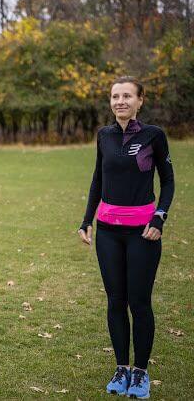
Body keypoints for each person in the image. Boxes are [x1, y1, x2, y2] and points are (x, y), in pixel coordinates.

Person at [78, 76, 174, 398]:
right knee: (115, 301)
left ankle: (141, 372)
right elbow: (98, 178)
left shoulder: (153, 136)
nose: (120, 101)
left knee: (139, 302)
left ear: (140, 100)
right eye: (115, 96)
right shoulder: (104, 136)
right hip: (108, 232)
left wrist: (159, 217)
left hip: (143, 233)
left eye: (127, 96)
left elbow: (168, 180)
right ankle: (121, 369)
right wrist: (87, 220)